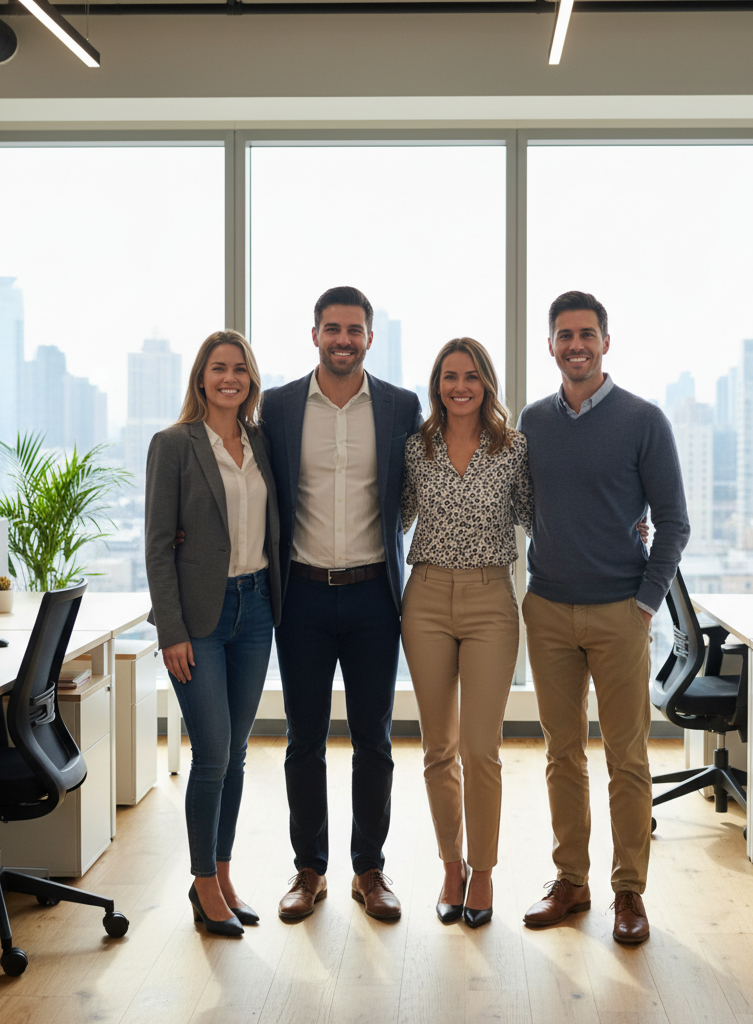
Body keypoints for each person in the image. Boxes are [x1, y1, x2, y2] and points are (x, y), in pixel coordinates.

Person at [517, 290, 689, 945]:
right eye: (565, 335)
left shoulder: (644, 421)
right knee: (562, 754)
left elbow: (673, 521)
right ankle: (572, 881)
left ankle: (629, 891)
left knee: (627, 758)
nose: (576, 345)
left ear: (605, 343)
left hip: (621, 612)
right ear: (551, 346)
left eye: (586, 334)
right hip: (548, 609)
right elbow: (521, 504)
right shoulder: (533, 421)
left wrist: (645, 602)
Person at [261, 286, 422, 921]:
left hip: (374, 596)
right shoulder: (277, 406)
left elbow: (425, 482)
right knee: (303, 739)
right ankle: (309, 869)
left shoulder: (400, 406)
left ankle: (369, 869)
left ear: (370, 338)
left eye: (354, 330)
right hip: (300, 594)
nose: (343, 340)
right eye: (333, 329)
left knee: (373, 741)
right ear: (315, 335)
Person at [145, 329, 282, 937]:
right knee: (213, 755)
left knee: (238, 754)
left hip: (255, 609)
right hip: (198, 620)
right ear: (201, 377)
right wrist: (171, 630)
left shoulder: (261, 442)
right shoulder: (173, 444)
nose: (230, 378)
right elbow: (157, 546)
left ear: (251, 380)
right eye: (219, 368)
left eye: (240, 369)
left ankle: (224, 876)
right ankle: (202, 884)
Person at [399, 337, 532, 928]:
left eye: (471, 376)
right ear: (437, 385)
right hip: (425, 598)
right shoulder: (416, 447)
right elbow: (394, 516)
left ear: (486, 384)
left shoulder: (513, 448)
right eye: (450, 376)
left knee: (481, 749)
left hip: (490, 602)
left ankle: (483, 871)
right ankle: (450, 867)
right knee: (438, 747)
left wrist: (628, 526)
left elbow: (541, 516)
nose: (460, 387)